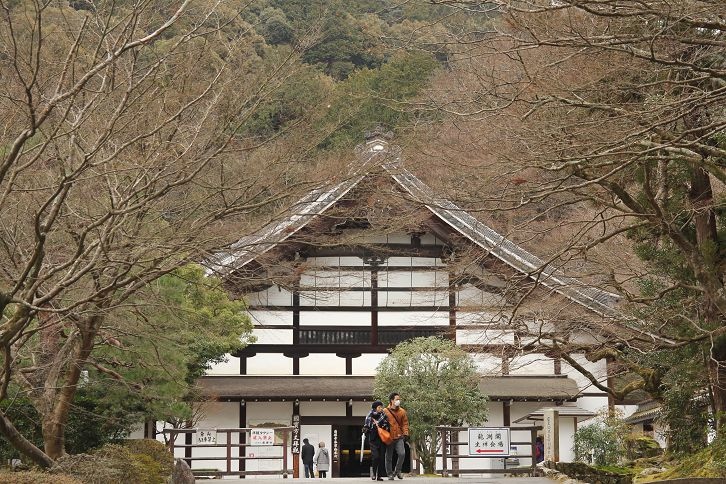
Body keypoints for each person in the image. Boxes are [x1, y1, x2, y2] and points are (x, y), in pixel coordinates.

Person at [383, 392, 409, 480]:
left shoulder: (402, 411)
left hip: (399, 436)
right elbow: (381, 423)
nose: (399, 401)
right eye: (397, 399)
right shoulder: (385, 411)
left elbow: (405, 423)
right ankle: (390, 474)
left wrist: (405, 433)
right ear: (392, 400)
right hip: (389, 437)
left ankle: (398, 471)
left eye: (399, 399)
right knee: (388, 456)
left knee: (402, 454)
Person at [364, 400, 389, 481]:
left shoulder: (384, 415)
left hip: (382, 439)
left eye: (381, 407)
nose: (381, 408)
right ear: (375, 408)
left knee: (382, 458)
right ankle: (374, 473)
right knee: (376, 457)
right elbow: (366, 427)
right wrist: (365, 429)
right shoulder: (369, 416)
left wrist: (384, 426)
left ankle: (379, 476)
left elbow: (387, 426)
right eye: (379, 407)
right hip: (373, 439)